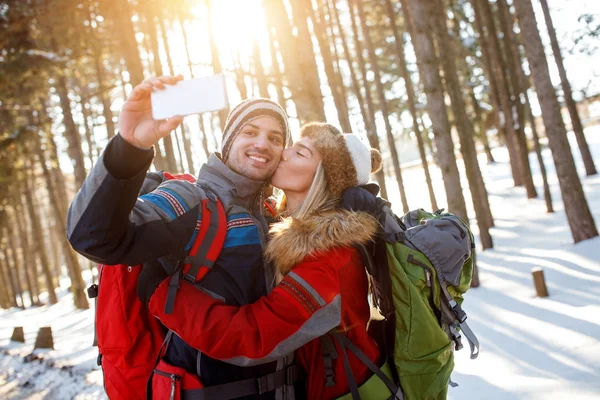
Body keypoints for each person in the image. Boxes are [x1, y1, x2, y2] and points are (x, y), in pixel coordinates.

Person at [66, 75, 298, 398]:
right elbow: (93, 236)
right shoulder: (192, 201)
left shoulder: (279, 218)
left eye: (275, 138)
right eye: (250, 132)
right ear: (229, 141)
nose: (262, 144)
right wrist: (128, 147)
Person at [140, 122, 399, 399]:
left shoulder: (330, 257)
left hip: (347, 393)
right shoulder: (281, 227)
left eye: (300, 153)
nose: (283, 152)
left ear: (323, 178)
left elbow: (255, 337)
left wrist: (164, 297)